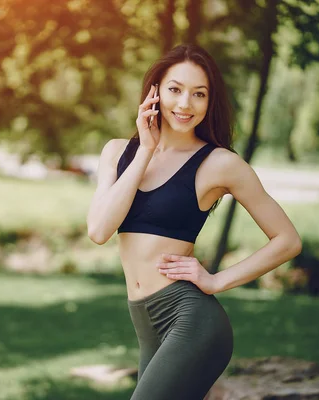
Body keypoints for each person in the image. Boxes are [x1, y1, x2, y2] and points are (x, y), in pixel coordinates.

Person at [86, 44, 302, 399]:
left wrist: (216, 281)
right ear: (154, 91)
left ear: (209, 101)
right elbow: (99, 230)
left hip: (191, 322)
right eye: (175, 89)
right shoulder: (117, 152)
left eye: (198, 94)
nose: (185, 104)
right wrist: (145, 149)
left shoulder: (219, 164)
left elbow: (287, 240)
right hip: (148, 326)